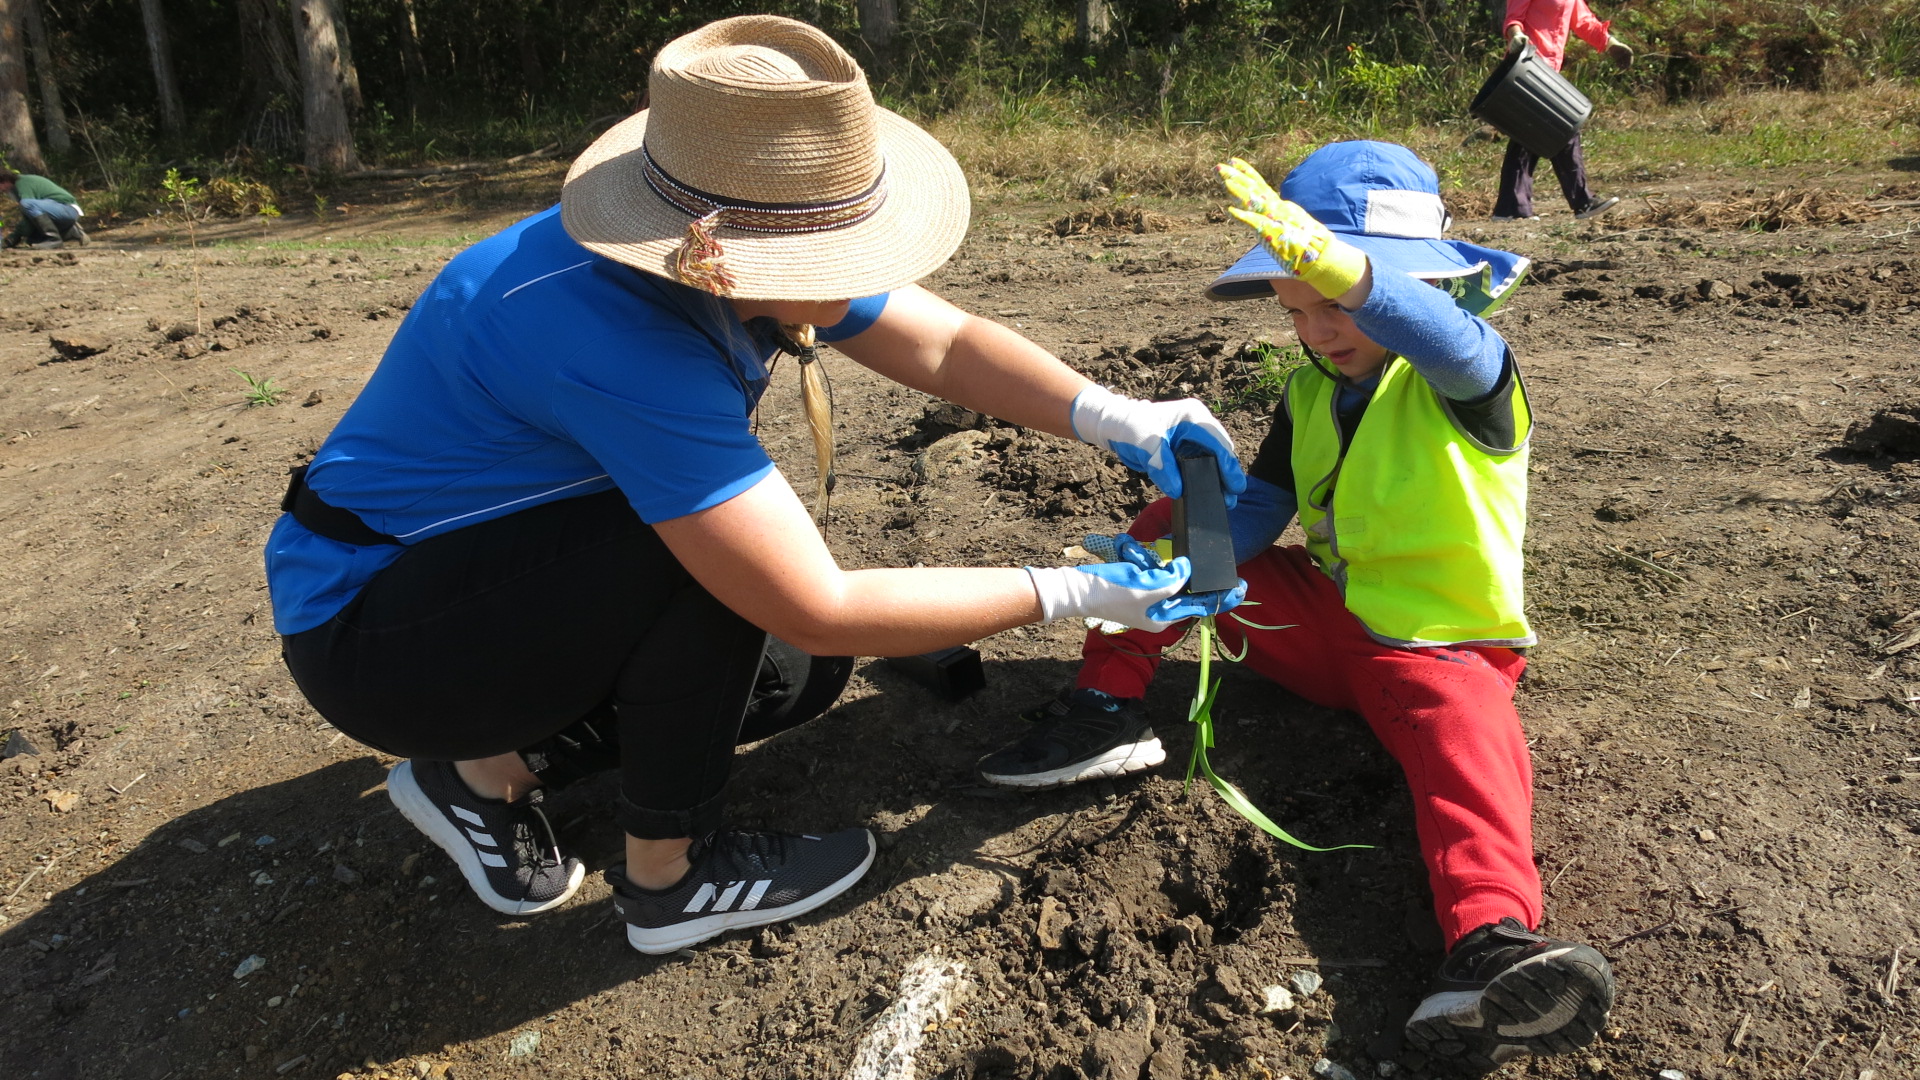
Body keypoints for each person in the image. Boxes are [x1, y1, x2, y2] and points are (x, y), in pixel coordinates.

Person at [263, 15, 1245, 957]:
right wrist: (1085, 592)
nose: (866, 277)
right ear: (729, 254)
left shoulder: (714, 242)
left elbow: (941, 341)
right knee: (719, 576)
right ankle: (671, 881)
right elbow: (818, 602)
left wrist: (1115, 413)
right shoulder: (618, 337)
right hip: (377, 635)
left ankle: (486, 771)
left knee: (787, 671)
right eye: (843, 257)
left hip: (486, 576)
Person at [976, 141, 1615, 1069]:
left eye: (1336, 303)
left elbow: (1447, 337)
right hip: (1322, 623)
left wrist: (1347, 272)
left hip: (1440, 650)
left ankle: (1488, 945)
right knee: (1175, 514)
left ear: (1407, 282)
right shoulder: (1308, 392)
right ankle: (1105, 709)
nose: (1319, 328)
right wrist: (1168, 568)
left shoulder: (1472, 378)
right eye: (1297, 308)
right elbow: (1260, 512)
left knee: (1467, 746)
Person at [1493, 0, 1633, 221]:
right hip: (1528, 66)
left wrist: (1609, 43)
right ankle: (1581, 201)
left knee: (1529, 136)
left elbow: (1584, 21)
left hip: (1549, 70)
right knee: (1563, 128)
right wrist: (1516, 35)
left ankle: (1510, 208)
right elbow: (1513, 18)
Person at [1, 170, 87, 249]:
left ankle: (54, 239)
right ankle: (71, 232)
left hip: (68, 209)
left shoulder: (22, 184)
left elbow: (28, 218)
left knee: (26, 203)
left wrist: (15, 236)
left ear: (5, 181)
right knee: (33, 240)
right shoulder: (14, 189)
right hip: (59, 212)